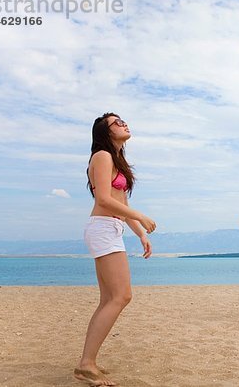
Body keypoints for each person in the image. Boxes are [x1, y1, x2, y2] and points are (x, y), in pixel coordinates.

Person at [74, 113, 156, 386]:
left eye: (123, 120)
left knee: (109, 299)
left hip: (111, 229)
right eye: (116, 122)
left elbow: (119, 201)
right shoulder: (102, 156)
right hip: (102, 228)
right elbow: (104, 200)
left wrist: (141, 234)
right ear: (105, 132)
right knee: (121, 296)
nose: (124, 124)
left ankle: (88, 362)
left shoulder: (116, 160)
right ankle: (86, 363)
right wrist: (140, 215)